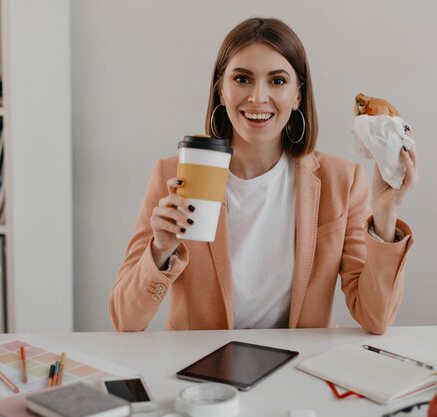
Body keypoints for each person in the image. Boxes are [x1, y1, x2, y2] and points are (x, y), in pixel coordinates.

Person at [110, 17, 417, 334]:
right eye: (242, 79)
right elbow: (125, 319)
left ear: (298, 95)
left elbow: (375, 318)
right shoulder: (173, 175)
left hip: (298, 369)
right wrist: (160, 250)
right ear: (221, 90)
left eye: (277, 81)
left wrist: (385, 214)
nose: (258, 97)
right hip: (201, 372)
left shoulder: (342, 180)